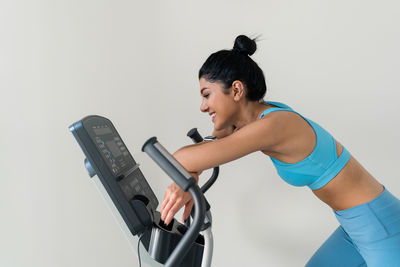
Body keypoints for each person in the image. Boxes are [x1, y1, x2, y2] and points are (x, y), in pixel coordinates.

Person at [159, 35, 400, 266]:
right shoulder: (255, 120)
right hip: (353, 227)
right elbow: (202, 154)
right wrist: (189, 177)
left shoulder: (273, 125)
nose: (203, 107)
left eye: (207, 95)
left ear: (236, 90)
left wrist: (189, 174)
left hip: (381, 228)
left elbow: (182, 158)